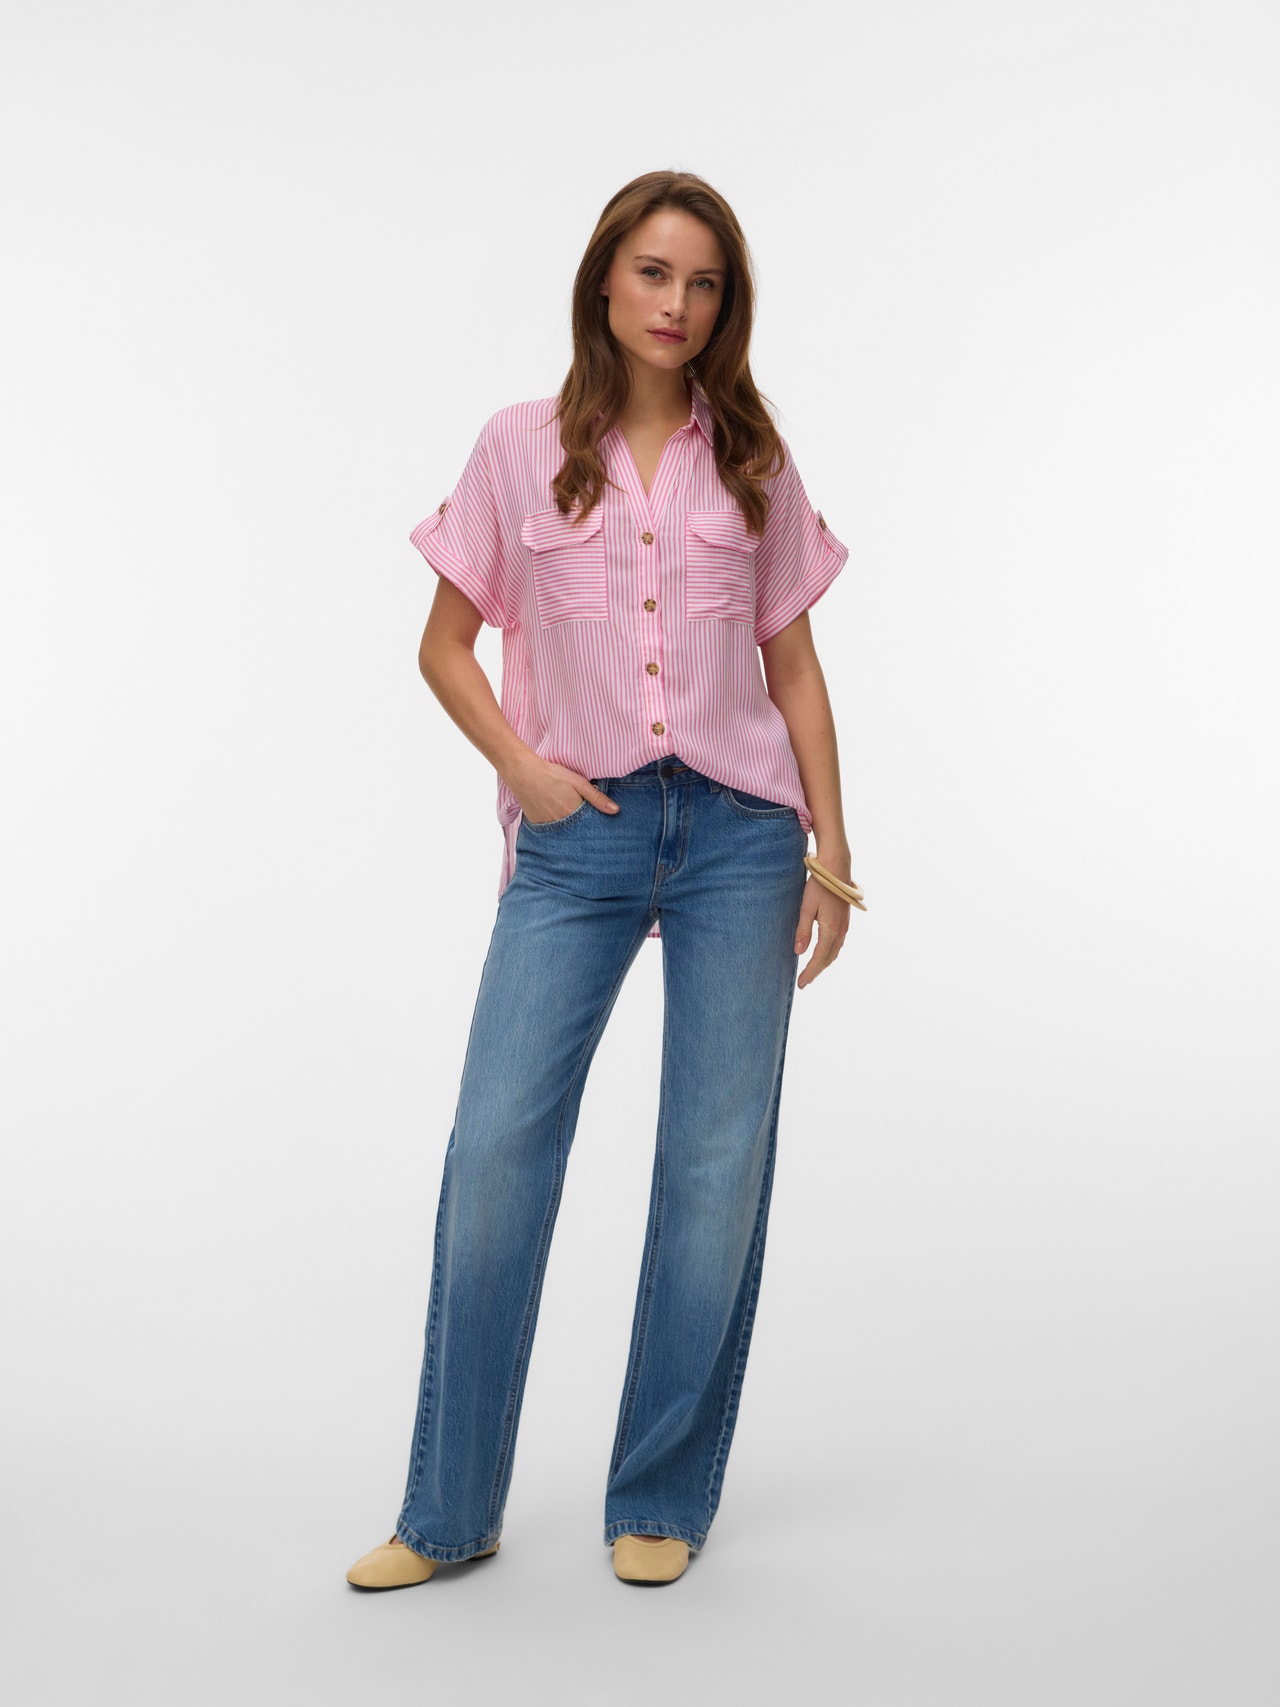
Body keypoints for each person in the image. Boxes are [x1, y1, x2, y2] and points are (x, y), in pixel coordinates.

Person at [347, 168, 863, 1592]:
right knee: (496, 1152)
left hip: (741, 836)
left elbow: (795, 668)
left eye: (702, 283)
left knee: (713, 1164)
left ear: (725, 305)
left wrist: (832, 849)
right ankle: (446, 1514)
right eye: (652, 272)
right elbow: (443, 644)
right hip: (577, 833)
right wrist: (522, 768)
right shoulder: (519, 448)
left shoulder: (752, 457)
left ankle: (661, 1495)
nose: (675, 303)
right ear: (603, 280)